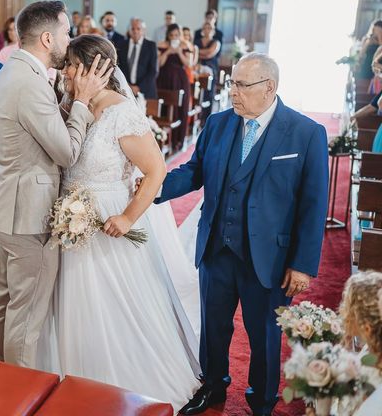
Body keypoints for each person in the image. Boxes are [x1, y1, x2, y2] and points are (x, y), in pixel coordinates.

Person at [157, 53, 329, 416]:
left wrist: (302, 265)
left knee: (265, 334)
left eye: (241, 85)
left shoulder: (306, 132)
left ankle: (263, 402)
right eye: (232, 83)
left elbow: (314, 205)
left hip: (269, 257)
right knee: (214, 327)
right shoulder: (219, 124)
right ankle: (213, 386)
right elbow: (194, 171)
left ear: (270, 87)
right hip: (218, 248)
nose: (232, 92)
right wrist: (152, 186)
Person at [37, 34, 201, 409]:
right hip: (70, 221)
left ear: (97, 69)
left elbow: (156, 170)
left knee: (114, 304)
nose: (65, 73)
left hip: (110, 220)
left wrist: (128, 217)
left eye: (72, 66)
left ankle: (121, 383)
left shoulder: (121, 112)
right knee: (74, 299)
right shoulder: (70, 106)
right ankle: (72, 376)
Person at [0, 0, 110, 368]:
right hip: (28, 215)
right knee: (26, 316)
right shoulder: (29, 82)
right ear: (46, 37)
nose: (67, 40)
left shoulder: (12, 71)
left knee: (6, 302)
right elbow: (67, 153)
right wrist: (83, 102)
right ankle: (16, 390)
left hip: (7, 207)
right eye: (65, 32)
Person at [340, 272, 382, 416]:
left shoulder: (375, 386)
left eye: (347, 308)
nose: (342, 312)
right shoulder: (371, 348)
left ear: (366, 328)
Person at [157, 23, 193, 148]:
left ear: (180, 35)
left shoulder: (185, 45)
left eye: (176, 35)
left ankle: (177, 140)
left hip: (180, 80)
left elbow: (189, 64)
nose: (174, 37)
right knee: (164, 108)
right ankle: (163, 138)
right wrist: (167, 52)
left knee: (180, 108)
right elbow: (159, 64)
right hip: (163, 79)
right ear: (168, 35)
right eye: (171, 35)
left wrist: (178, 52)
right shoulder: (162, 44)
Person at [117, 18, 158, 99]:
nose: (135, 31)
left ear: (143, 30)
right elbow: (119, 68)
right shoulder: (121, 45)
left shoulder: (151, 46)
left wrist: (138, 88)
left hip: (146, 92)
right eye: (133, 29)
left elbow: (153, 70)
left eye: (138, 29)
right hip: (126, 91)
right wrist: (128, 86)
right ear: (129, 30)